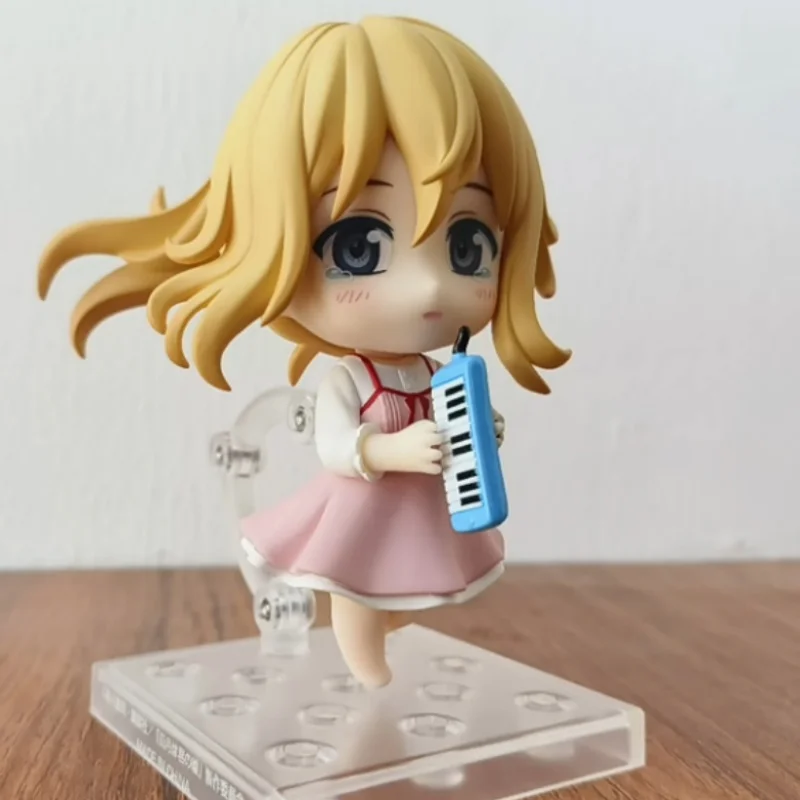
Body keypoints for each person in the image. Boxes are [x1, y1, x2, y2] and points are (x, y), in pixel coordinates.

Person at [37, 16, 570, 688]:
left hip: (422, 509)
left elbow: (456, 418)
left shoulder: (438, 372)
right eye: (359, 247)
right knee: (355, 584)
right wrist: (389, 451)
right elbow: (335, 446)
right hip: (362, 509)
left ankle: (383, 635)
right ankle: (367, 669)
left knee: (414, 587)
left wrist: (479, 429)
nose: (430, 287)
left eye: (467, 246)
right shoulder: (351, 379)